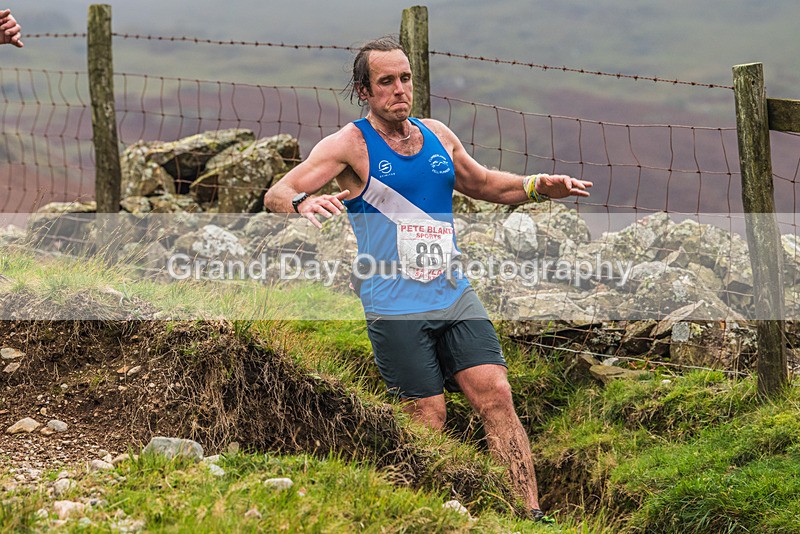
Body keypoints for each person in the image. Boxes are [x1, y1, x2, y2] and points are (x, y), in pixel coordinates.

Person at [263, 36, 592, 521]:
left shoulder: (437, 134)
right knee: (428, 416)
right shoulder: (348, 146)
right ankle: (420, 514)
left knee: (496, 393)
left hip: (452, 293)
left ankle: (530, 516)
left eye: (405, 77)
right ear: (363, 91)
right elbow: (278, 191)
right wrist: (301, 202)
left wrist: (536, 187)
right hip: (394, 303)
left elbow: (481, 183)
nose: (399, 89)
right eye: (386, 81)